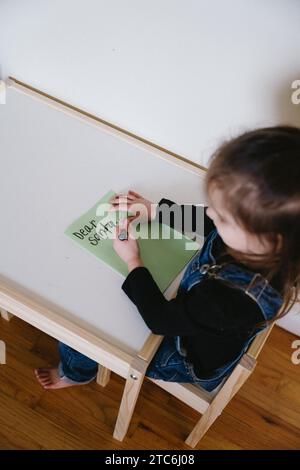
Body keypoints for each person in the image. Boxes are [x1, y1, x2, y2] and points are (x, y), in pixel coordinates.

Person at [35, 125, 300, 392]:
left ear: (269, 239)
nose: (210, 215)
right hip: (192, 316)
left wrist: (133, 262)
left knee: (80, 325)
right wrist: (156, 211)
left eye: (222, 216)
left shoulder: (230, 300)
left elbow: (160, 320)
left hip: (181, 356)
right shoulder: (268, 244)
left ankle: (75, 372)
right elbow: (208, 224)